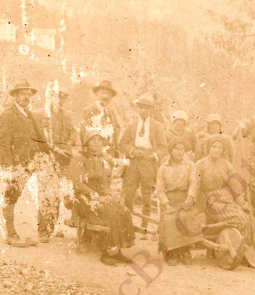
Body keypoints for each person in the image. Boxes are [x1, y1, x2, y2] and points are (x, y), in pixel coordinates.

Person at [71, 129, 136, 266]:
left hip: (98, 198)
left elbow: (103, 182)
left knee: (123, 211)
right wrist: (96, 197)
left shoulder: (99, 159)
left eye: (99, 140)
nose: (96, 142)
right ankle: (106, 253)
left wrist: (107, 194)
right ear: (87, 142)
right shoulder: (78, 158)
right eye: (93, 139)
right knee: (111, 214)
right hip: (83, 200)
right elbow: (78, 184)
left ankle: (117, 250)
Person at [0, 80, 49, 248]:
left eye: (28, 94)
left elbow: (40, 139)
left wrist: (48, 157)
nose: (26, 97)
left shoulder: (29, 114)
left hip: (34, 162)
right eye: (22, 94)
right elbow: (3, 144)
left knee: (45, 193)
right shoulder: (8, 115)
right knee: (11, 197)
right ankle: (10, 234)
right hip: (18, 164)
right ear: (15, 96)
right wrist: (8, 169)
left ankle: (43, 231)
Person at [34, 82, 77, 242]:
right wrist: (55, 149)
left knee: (59, 194)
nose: (60, 100)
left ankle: (51, 227)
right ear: (50, 96)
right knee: (46, 195)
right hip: (47, 159)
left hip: (64, 158)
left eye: (63, 98)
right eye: (57, 96)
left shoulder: (67, 114)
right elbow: (39, 137)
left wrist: (70, 142)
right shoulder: (40, 114)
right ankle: (43, 231)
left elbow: (73, 131)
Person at [119, 93, 168, 231]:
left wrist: (153, 156)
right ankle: (128, 225)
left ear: (151, 109)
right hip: (133, 163)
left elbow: (164, 148)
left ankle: (144, 226)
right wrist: (132, 151)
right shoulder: (132, 125)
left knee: (147, 196)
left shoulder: (157, 126)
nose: (143, 110)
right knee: (128, 194)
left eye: (146, 108)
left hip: (149, 164)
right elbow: (122, 144)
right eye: (140, 107)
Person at [195, 136, 249, 240]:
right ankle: (235, 244)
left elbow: (234, 185)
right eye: (214, 147)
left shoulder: (226, 164)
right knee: (240, 218)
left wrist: (242, 203)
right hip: (210, 201)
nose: (217, 150)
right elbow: (195, 187)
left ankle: (237, 243)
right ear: (209, 148)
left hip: (226, 199)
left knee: (247, 217)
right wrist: (199, 211)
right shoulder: (200, 165)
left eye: (220, 148)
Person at [156, 137, 198, 265]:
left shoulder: (190, 165)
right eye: (176, 149)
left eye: (181, 149)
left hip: (184, 199)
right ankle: (172, 251)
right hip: (169, 200)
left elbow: (193, 183)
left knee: (187, 217)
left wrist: (190, 198)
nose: (179, 152)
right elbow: (160, 189)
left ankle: (185, 249)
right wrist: (166, 204)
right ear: (171, 150)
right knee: (170, 219)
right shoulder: (163, 168)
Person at [80, 80, 121, 158]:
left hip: (111, 154)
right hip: (95, 155)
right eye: (103, 93)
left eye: (109, 94)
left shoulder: (110, 111)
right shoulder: (88, 111)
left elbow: (117, 129)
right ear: (96, 94)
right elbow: (85, 136)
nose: (106, 96)